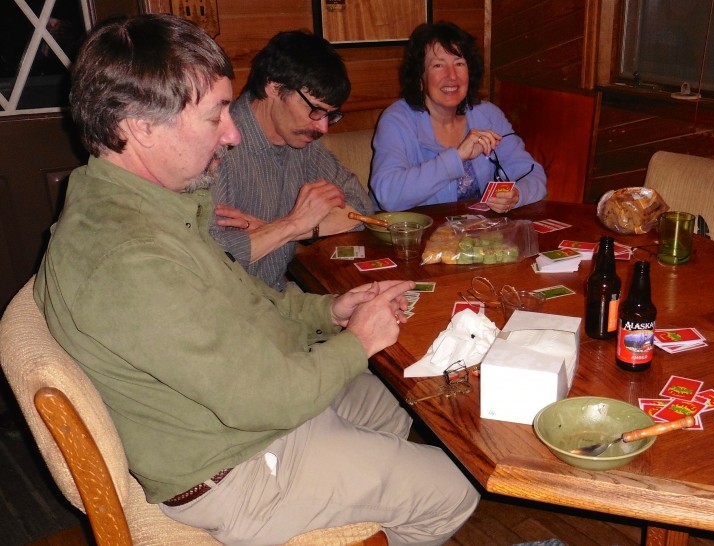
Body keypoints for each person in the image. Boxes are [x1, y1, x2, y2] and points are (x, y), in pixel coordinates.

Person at [34, 14, 478, 545]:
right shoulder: (131, 258)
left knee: (388, 408)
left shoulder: (145, 207)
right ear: (139, 126)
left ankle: (359, 508)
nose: (233, 132)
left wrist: (331, 312)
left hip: (245, 409)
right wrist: (358, 341)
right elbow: (265, 398)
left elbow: (250, 302)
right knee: (455, 489)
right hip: (231, 465)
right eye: (215, 114)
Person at [210, 30, 373, 291]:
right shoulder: (219, 147)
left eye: (329, 115)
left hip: (280, 302)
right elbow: (210, 259)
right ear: (274, 87)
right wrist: (293, 224)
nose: (323, 128)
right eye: (315, 110)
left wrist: (284, 229)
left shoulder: (302, 143)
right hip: (230, 311)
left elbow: (361, 209)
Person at [369, 21, 546, 212]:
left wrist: (517, 195)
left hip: (477, 236)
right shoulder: (396, 120)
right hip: (416, 237)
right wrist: (458, 157)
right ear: (420, 78)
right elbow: (387, 195)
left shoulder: (487, 116)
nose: (452, 75)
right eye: (438, 65)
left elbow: (532, 173)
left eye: (459, 63)